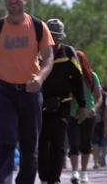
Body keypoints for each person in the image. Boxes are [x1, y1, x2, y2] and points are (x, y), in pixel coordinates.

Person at [0, 0, 54, 184]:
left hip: (30, 92)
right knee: (5, 142)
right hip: (4, 92)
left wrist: (40, 78)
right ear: (5, 1)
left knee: (30, 147)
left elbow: (49, 59)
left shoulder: (39, 27)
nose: (13, 1)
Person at [38, 18, 85, 184]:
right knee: (42, 141)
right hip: (40, 104)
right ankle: (44, 177)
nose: (54, 39)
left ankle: (54, 178)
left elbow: (77, 80)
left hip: (63, 103)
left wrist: (82, 105)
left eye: (57, 36)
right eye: (51, 36)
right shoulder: (37, 53)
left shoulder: (68, 52)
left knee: (58, 142)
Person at [67, 50, 102, 184]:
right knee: (73, 143)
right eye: (75, 60)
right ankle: (75, 172)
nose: (78, 62)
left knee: (86, 144)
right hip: (72, 113)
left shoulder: (92, 76)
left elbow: (99, 97)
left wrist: (95, 108)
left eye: (80, 59)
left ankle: (84, 172)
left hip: (89, 114)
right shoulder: (69, 76)